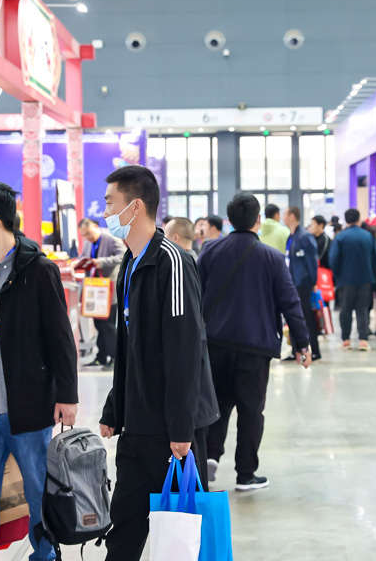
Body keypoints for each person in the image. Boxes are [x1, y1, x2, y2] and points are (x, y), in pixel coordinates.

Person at [98, 166, 219, 561]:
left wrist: (181, 427)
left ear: (135, 207)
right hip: (136, 425)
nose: (105, 211)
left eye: (110, 202)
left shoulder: (173, 262)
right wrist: (115, 407)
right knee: (124, 529)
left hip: (172, 428)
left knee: (183, 536)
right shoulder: (129, 265)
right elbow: (128, 347)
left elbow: (186, 350)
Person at [0, 182, 79, 561]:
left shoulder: (38, 270)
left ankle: (44, 556)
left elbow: (61, 337)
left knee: (37, 492)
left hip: (26, 404)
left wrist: (67, 395)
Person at [198, 193, 311, 492]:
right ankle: (245, 474)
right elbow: (291, 303)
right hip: (255, 346)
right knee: (251, 410)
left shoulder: (209, 251)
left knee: (215, 404)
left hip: (214, 344)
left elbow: (195, 297)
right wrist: (303, 344)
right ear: (258, 220)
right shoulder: (272, 258)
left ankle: (210, 457)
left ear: (228, 220)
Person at [77, 217, 127, 369]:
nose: (87, 238)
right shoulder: (88, 242)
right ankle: (102, 356)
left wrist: (102, 261)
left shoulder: (110, 238)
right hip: (94, 289)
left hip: (108, 291)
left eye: (89, 234)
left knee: (108, 325)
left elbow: (123, 255)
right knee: (99, 324)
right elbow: (84, 257)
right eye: (84, 235)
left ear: (95, 227)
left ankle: (115, 357)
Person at [329, 209, 376, 352]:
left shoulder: (340, 237)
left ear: (346, 220)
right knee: (362, 309)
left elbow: (334, 259)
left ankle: (346, 340)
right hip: (365, 279)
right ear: (359, 219)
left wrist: (338, 276)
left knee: (345, 310)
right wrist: (371, 274)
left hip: (345, 280)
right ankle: (363, 339)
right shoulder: (368, 236)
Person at [282, 206, 322, 361]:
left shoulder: (304, 237)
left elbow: (312, 261)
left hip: (303, 284)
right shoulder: (291, 236)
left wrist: (313, 282)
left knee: (306, 317)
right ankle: (295, 350)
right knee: (293, 316)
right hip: (292, 282)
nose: (283, 217)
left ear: (292, 216)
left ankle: (314, 350)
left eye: (285, 214)